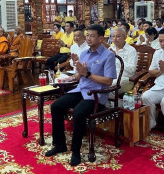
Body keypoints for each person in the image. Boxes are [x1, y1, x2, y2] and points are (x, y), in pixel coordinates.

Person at [45, 24, 116, 166]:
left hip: (95, 94)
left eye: (92, 36)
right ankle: (60, 145)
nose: (88, 38)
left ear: (101, 38)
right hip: (81, 89)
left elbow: (108, 81)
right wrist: (78, 68)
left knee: (78, 112)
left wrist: (87, 74)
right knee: (56, 106)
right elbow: (79, 76)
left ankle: (76, 151)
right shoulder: (84, 53)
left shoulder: (108, 55)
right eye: (87, 35)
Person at [109, 28, 138, 92]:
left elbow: (132, 69)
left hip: (125, 79)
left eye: (118, 36)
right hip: (110, 76)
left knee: (108, 88)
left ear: (125, 37)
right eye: (113, 36)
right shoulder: (110, 48)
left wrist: (116, 58)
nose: (115, 38)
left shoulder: (131, 50)